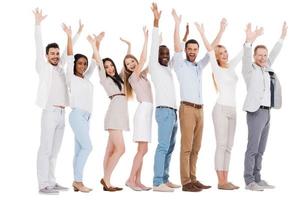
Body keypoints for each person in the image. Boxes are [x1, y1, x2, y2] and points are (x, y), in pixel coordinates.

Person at [33, 8, 82, 195]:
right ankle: (42, 184)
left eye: (56, 53)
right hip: (49, 112)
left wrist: (74, 34)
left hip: (62, 113)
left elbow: (70, 52)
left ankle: (51, 181)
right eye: (52, 53)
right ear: (47, 56)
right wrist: (38, 24)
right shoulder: (43, 68)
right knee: (45, 149)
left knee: (55, 151)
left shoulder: (61, 68)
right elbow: (38, 45)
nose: (55, 56)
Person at [196, 18, 242, 190]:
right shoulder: (217, 68)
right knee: (221, 144)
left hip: (233, 110)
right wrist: (211, 32)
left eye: (225, 52)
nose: (225, 55)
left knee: (229, 146)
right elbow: (209, 50)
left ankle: (226, 179)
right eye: (221, 53)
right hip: (221, 109)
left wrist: (249, 40)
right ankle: (220, 181)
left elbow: (241, 54)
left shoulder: (230, 68)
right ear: (217, 57)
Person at [242, 22, 287, 191]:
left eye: (265, 55)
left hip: (267, 112)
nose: (262, 57)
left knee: (261, 149)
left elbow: (274, 53)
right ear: (254, 56)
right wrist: (248, 42)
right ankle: (249, 181)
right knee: (252, 148)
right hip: (255, 112)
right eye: (259, 55)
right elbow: (246, 57)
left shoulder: (267, 67)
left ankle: (257, 178)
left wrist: (282, 38)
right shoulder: (249, 69)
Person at [172, 9, 213, 192]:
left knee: (197, 147)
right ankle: (186, 181)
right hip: (187, 109)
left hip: (200, 110)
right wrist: (177, 24)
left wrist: (208, 33)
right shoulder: (180, 64)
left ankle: (194, 178)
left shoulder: (199, 66)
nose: (192, 52)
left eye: (195, 50)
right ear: (185, 50)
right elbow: (176, 47)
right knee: (186, 146)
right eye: (189, 49)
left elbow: (211, 53)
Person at [88, 32, 128, 192]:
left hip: (120, 116)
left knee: (111, 149)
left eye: (111, 65)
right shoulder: (105, 79)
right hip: (114, 117)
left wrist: (129, 47)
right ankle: (106, 180)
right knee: (121, 149)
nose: (110, 69)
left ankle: (107, 180)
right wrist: (96, 44)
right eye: (106, 67)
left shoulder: (120, 79)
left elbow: (128, 65)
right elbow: (98, 61)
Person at [149, 3, 182, 192]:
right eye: (162, 53)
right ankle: (157, 182)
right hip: (163, 111)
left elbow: (179, 51)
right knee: (162, 146)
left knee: (170, 146)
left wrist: (181, 34)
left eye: (166, 54)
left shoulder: (168, 69)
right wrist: (156, 21)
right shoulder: (155, 67)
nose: (164, 55)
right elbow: (154, 45)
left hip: (173, 111)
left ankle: (165, 178)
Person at [62, 23, 95, 193]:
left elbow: (96, 62)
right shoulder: (71, 78)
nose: (82, 66)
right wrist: (70, 36)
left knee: (79, 149)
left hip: (87, 117)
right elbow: (69, 56)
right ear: (75, 64)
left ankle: (76, 181)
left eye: (85, 64)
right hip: (76, 115)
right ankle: (78, 181)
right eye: (80, 63)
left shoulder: (86, 79)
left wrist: (96, 45)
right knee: (87, 147)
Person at [122, 27, 152, 191]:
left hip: (147, 112)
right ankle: (130, 179)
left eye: (132, 61)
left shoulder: (142, 75)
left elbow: (150, 63)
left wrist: (157, 43)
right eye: (128, 64)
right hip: (142, 113)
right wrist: (146, 39)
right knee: (141, 150)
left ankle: (138, 180)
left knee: (144, 149)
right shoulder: (133, 76)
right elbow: (144, 58)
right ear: (126, 68)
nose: (132, 64)